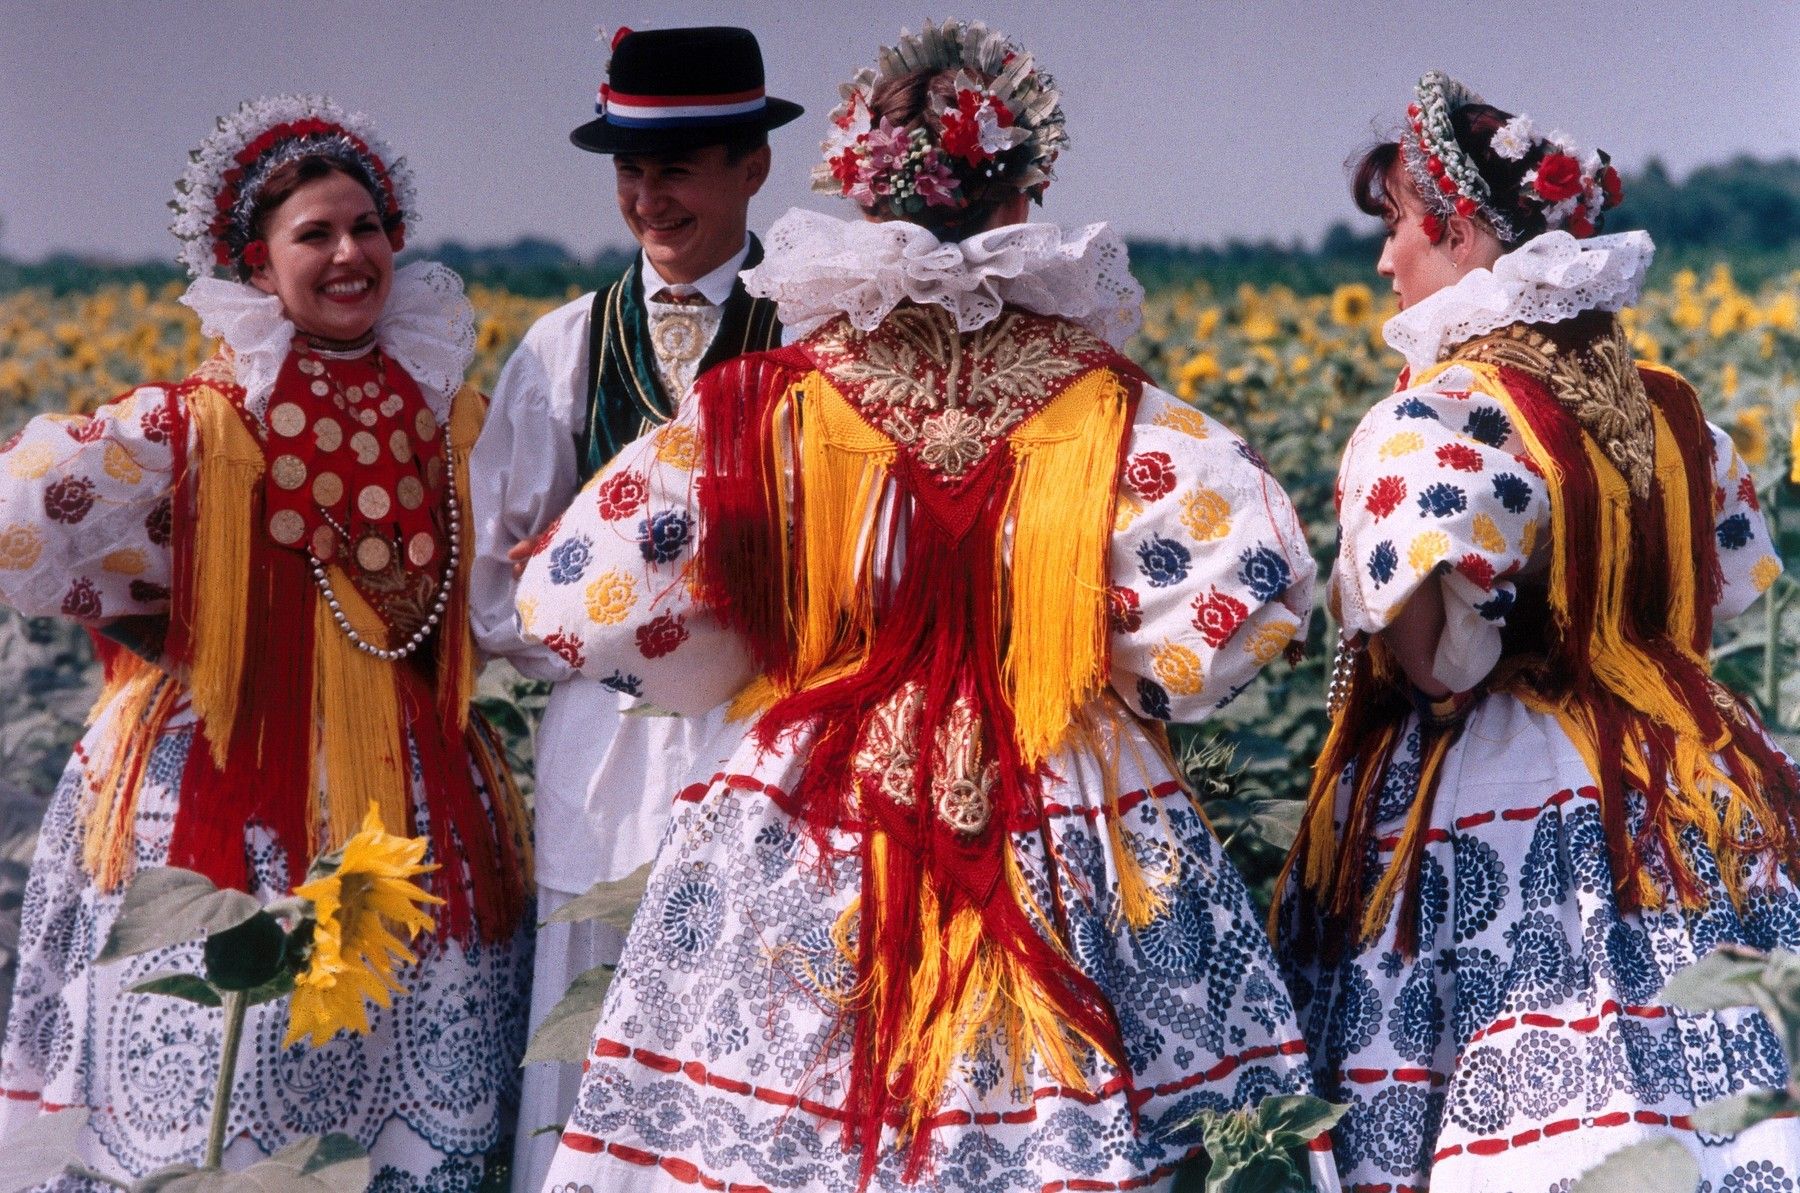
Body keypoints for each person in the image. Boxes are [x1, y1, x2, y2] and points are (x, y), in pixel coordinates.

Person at [518, 20, 1337, 1192]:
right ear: (1022, 195)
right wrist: (1110, 670)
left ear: (860, 199)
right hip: (1059, 784)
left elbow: (581, 602)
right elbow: (1244, 598)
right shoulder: (1107, 405)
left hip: (821, 793)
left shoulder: (765, 407)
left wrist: (758, 666)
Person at [1274, 71, 1800, 1191]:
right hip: (1686, 768)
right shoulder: (1671, 402)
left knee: (1537, 1055)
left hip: (1510, 787)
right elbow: (1731, 590)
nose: (1384, 264)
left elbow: (1433, 661)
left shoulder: (1443, 410)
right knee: (1703, 1052)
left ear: (1458, 233)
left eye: (1398, 230)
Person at [0, 96, 531, 1185]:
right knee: (226, 1078)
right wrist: (159, 617)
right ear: (255, 262)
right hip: (228, 783)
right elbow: (23, 517)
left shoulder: (449, 412)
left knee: (403, 1075)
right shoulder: (199, 421)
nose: (351, 254)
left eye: (368, 228)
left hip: (411, 801)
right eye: (315, 235)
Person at [463, 26, 801, 1191]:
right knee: (590, 1012)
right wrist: (585, 599)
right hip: (605, 744)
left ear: (753, 167)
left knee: (753, 1008)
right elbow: (498, 591)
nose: (652, 198)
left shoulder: (816, 339)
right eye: (632, 172)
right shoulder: (563, 347)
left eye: (682, 167)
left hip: (768, 732)